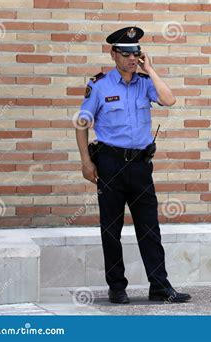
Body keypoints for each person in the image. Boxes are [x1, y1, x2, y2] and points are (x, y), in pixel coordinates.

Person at [75, 26, 190, 304]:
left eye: (135, 53)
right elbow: (81, 124)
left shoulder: (145, 82)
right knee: (111, 228)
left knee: (149, 227)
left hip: (140, 166)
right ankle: (117, 286)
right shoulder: (100, 86)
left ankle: (159, 285)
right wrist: (85, 161)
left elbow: (169, 99)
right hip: (110, 164)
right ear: (113, 53)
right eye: (125, 53)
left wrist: (150, 70)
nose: (131, 58)